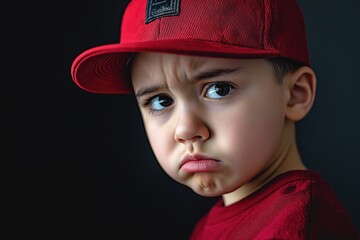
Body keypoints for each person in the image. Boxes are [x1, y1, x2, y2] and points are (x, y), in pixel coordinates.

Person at [71, 0, 360, 239]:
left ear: (295, 94)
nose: (185, 130)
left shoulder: (300, 225)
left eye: (219, 89)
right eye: (160, 101)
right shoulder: (212, 224)